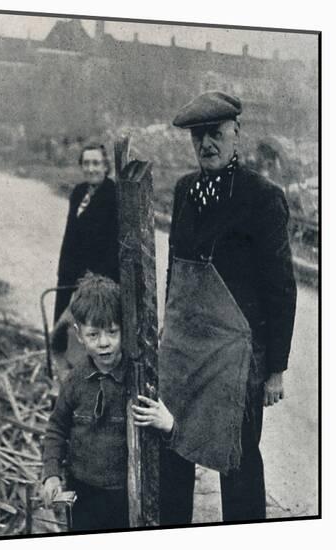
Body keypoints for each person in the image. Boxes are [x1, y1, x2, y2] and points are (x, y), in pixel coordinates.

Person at [144, 91, 297, 525]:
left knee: (239, 460)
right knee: (174, 447)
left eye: (215, 134)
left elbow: (281, 288)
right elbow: (177, 268)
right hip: (186, 350)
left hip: (239, 357)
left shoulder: (262, 197)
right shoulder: (185, 190)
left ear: (236, 134)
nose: (206, 144)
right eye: (198, 137)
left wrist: (276, 369)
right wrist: (168, 333)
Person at [42, 274, 172, 532]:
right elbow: (56, 429)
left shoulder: (141, 381)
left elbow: (169, 440)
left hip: (127, 493)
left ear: (124, 328)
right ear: (79, 335)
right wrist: (52, 473)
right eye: (93, 334)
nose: (104, 343)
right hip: (82, 490)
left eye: (112, 332)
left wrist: (168, 425)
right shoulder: (75, 381)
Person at [53, 143, 119, 323]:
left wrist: (92, 280)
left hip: (98, 280)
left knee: (91, 328)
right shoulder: (79, 192)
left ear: (106, 166)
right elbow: (70, 236)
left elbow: (114, 246)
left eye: (96, 163)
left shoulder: (114, 195)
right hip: (70, 273)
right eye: (86, 163)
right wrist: (64, 271)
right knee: (62, 329)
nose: (91, 169)